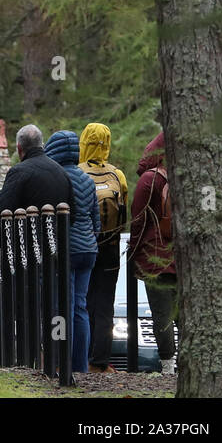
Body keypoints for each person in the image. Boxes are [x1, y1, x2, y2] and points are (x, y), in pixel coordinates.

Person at [45, 129, 100, 374]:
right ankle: (80, 366)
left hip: (65, 250)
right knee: (80, 307)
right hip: (88, 250)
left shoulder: (55, 178)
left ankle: (59, 362)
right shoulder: (87, 180)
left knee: (60, 306)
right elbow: (96, 221)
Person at [79, 122, 128, 374]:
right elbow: (125, 214)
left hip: (85, 244)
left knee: (83, 301)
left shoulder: (77, 173)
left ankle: (81, 357)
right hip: (110, 247)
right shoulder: (117, 175)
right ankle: (100, 361)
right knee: (105, 304)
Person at [130, 130, 177, 376]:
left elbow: (137, 220)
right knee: (182, 314)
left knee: (162, 315)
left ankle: (168, 366)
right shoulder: (186, 176)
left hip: (154, 258)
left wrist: (133, 252)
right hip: (182, 259)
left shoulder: (149, 180)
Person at [0, 124, 71, 213]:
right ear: (42, 146)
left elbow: (3, 213)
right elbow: (72, 213)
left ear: (19, 148)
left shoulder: (17, 172)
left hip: (26, 226)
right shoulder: (61, 172)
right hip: (58, 227)